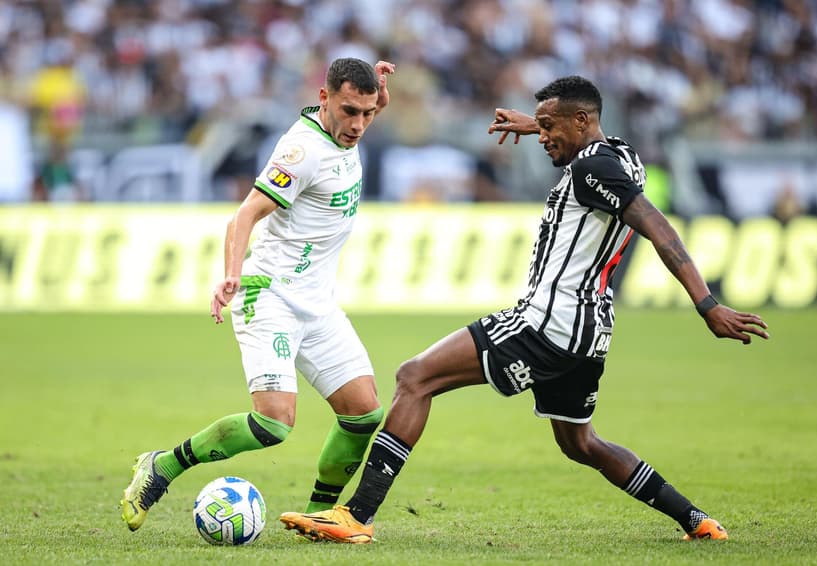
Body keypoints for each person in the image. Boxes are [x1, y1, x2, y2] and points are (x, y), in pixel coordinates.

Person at [279, 75, 769, 543]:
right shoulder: (621, 155)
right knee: (581, 444)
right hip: (589, 331)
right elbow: (593, 145)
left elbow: (660, 230)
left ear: (581, 122)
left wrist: (706, 304)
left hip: (546, 323)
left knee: (415, 377)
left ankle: (356, 515)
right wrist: (535, 123)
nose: (543, 137)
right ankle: (695, 518)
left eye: (551, 127)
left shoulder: (593, 169)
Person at [120, 57, 396, 531]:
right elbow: (243, 215)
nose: (359, 125)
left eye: (368, 114)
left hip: (318, 303)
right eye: (350, 111)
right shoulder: (302, 151)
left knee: (364, 413)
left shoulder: (346, 122)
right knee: (274, 423)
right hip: (268, 296)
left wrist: (379, 95)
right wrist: (230, 274)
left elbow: (364, 107)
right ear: (324, 98)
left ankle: (321, 514)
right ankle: (161, 466)